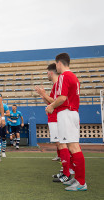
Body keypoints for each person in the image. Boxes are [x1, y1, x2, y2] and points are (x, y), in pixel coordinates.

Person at [46, 53, 87, 191]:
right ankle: (77, 179)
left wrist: (51, 106)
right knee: (71, 147)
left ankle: (81, 182)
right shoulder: (73, 76)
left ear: (58, 63)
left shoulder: (64, 76)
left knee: (74, 147)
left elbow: (62, 98)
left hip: (67, 113)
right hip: (72, 113)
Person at [35, 63, 61, 162]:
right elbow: (51, 101)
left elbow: (56, 101)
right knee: (59, 142)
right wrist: (43, 97)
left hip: (56, 117)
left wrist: (44, 95)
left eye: (47, 73)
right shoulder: (56, 85)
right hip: (54, 116)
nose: (47, 75)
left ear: (50, 73)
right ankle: (64, 162)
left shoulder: (58, 84)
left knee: (61, 142)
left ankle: (67, 167)